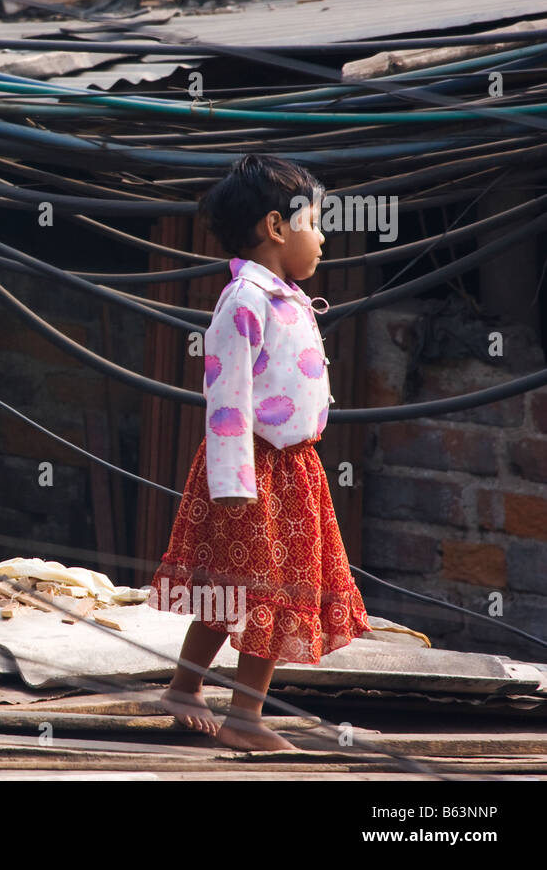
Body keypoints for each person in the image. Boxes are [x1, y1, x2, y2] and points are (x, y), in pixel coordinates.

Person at [146, 153, 371, 751]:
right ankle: (243, 715)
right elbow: (226, 399)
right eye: (315, 224)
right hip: (254, 469)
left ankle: (186, 690)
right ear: (276, 228)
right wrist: (233, 488)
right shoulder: (244, 299)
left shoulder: (284, 295)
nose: (322, 239)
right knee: (264, 589)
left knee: (246, 587)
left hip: (293, 468)